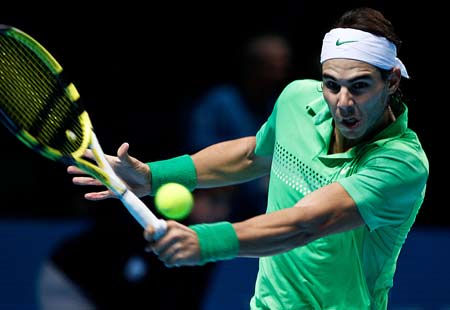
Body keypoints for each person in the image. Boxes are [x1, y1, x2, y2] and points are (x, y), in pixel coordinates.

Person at [69, 7, 429, 309]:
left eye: (360, 85)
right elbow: (252, 155)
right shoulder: (297, 100)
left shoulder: (401, 164)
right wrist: (153, 176)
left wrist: (206, 242)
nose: (343, 102)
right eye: (331, 84)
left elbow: (307, 222)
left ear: (392, 81)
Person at [186, 33, 293, 223]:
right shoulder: (219, 102)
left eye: (282, 68)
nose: (279, 75)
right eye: (271, 68)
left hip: (266, 211)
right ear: (252, 67)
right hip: (222, 208)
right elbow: (199, 155)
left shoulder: (281, 105)